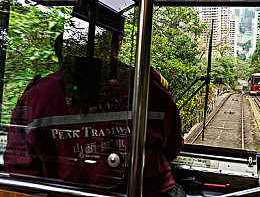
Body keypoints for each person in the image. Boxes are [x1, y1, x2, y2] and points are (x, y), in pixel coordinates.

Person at [4, 33, 185, 196]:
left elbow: (20, 166)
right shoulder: (146, 86)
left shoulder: (37, 95)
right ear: (114, 46)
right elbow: (172, 145)